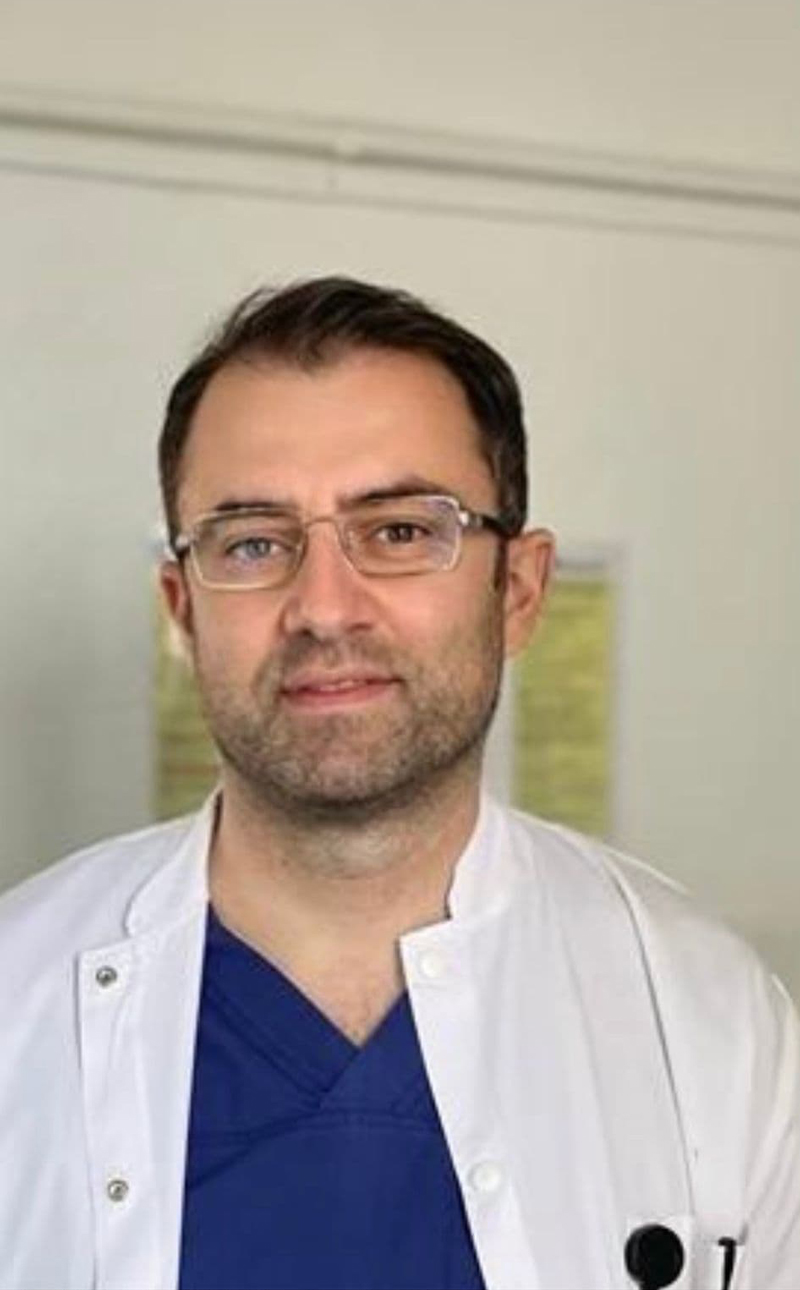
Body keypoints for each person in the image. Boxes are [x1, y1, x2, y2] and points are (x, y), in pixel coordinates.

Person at [0, 277, 797, 1290]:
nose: (324, 609)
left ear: (518, 590)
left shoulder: (713, 1018)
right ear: (183, 608)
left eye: (401, 531)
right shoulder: (16, 1000)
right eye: (253, 543)